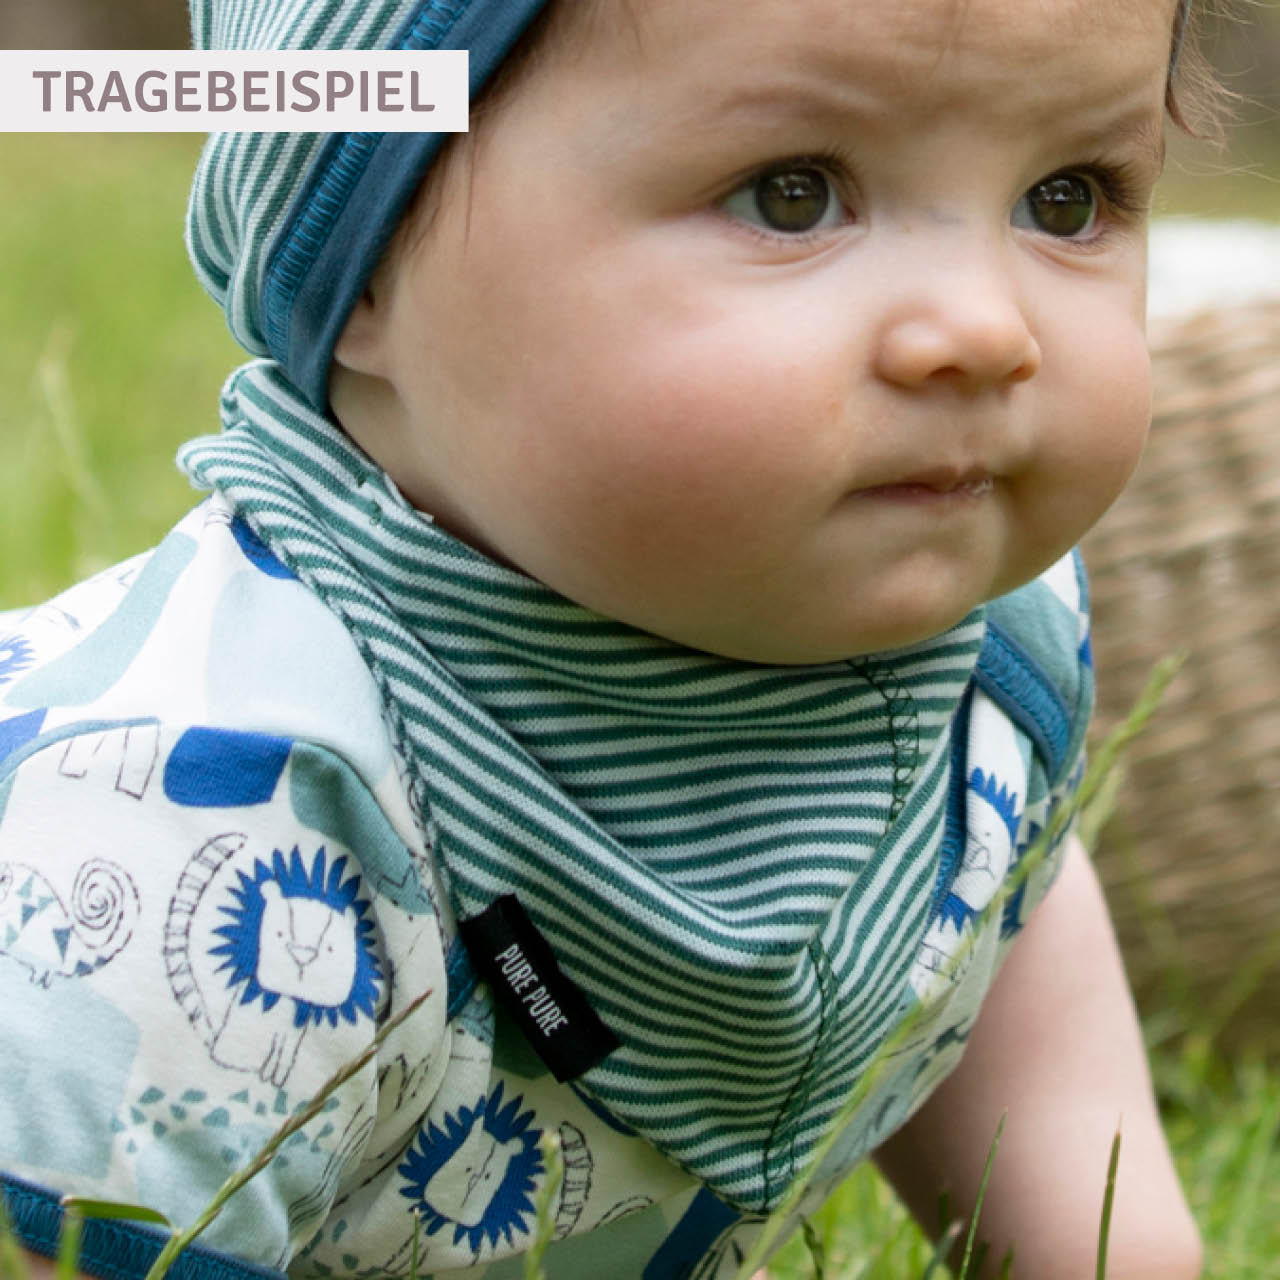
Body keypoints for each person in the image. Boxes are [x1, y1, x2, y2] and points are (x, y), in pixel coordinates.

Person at [0, 0, 1208, 1276]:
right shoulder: (189, 841)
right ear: (357, 264)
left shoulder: (987, 669)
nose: (983, 328)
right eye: (790, 196)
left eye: (1066, 199)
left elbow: (976, 896)